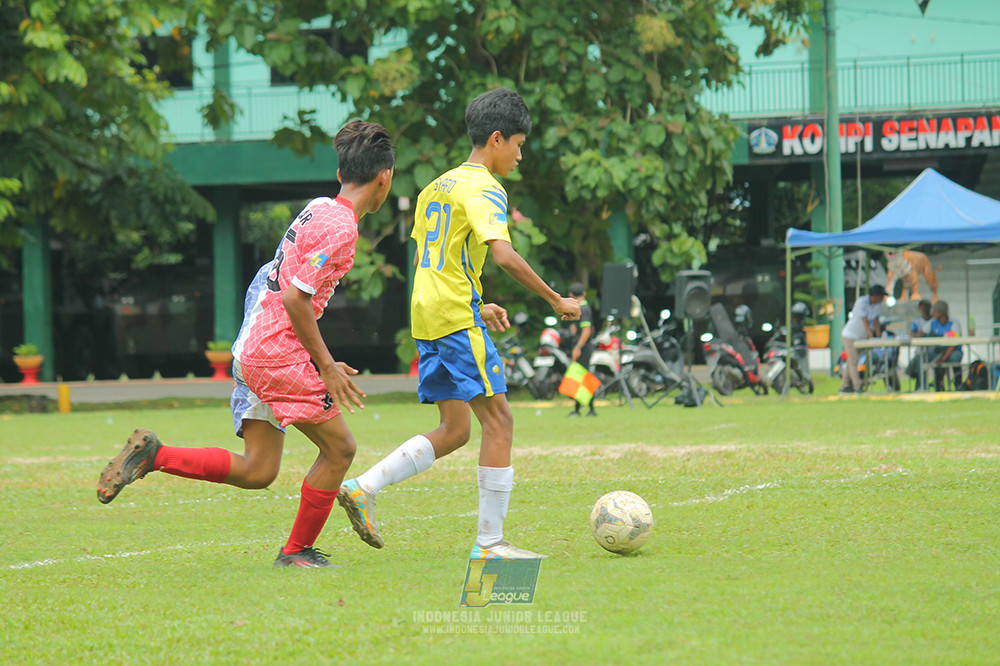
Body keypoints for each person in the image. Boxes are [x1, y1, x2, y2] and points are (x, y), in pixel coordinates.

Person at [95, 120, 396, 569]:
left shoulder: (317, 209)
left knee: (259, 470)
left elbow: (274, 281)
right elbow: (296, 297)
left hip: (258, 344)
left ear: (339, 174)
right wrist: (325, 365)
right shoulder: (343, 229)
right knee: (340, 450)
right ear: (385, 178)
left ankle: (155, 455)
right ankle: (295, 554)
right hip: (275, 352)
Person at [337, 88, 580, 561]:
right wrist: (555, 299)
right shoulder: (485, 187)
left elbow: (439, 259)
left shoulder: (436, 186)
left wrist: (479, 303)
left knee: (455, 429)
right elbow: (503, 254)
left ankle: (364, 487)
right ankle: (490, 544)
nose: (519, 154)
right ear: (496, 138)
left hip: (429, 316)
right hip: (453, 317)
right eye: (517, 144)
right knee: (500, 420)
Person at [839, 284, 886, 394]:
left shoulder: (877, 306)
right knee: (853, 361)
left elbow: (876, 322)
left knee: (852, 361)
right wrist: (871, 336)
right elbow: (865, 321)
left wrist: (878, 337)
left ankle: (844, 386)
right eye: (881, 296)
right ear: (875, 295)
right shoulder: (862, 302)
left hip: (861, 337)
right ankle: (857, 386)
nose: (882, 299)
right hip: (850, 336)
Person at [567, 282, 596, 417]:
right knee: (581, 377)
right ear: (584, 293)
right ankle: (585, 409)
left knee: (581, 377)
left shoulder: (583, 309)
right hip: (583, 346)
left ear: (571, 295)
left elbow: (586, 331)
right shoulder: (582, 308)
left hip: (583, 348)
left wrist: (578, 347)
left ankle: (584, 409)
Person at [928, 300, 962, 391]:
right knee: (926, 358)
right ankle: (937, 384)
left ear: (941, 312)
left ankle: (958, 385)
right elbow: (921, 332)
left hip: (953, 350)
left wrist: (944, 358)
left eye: (934, 311)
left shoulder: (954, 322)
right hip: (938, 351)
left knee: (955, 358)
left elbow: (954, 343)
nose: (932, 313)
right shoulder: (933, 322)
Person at [905, 299, 934, 388]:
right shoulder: (917, 321)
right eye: (922, 306)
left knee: (921, 363)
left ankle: (922, 386)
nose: (924, 308)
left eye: (926, 306)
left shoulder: (934, 321)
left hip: (932, 351)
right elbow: (913, 333)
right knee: (910, 370)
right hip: (919, 351)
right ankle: (921, 384)